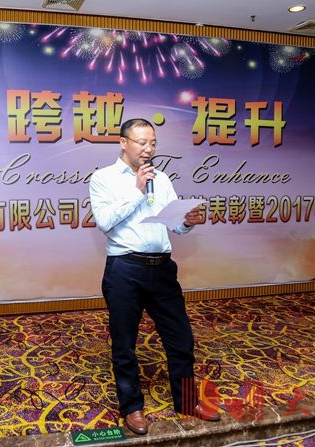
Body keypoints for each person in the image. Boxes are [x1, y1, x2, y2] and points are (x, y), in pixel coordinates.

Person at [88, 118, 220, 435]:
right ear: (123, 142)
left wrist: (187, 221)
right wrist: (136, 190)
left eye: (153, 143)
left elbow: (173, 225)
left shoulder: (162, 179)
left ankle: (187, 401)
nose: (149, 149)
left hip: (162, 269)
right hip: (125, 269)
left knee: (181, 339)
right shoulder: (103, 178)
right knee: (124, 343)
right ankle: (132, 407)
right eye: (142, 142)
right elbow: (104, 221)